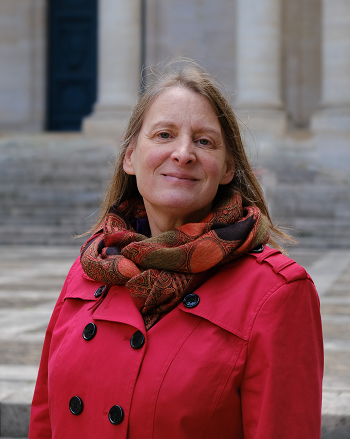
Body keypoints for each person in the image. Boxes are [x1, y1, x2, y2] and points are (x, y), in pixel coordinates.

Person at [29, 60, 323, 439]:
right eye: (164, 135)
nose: (183, 153)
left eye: (204, 141)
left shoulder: (278, 293)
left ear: (228, 167)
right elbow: (44, 421)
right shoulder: (91, 268)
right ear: (130, 156)